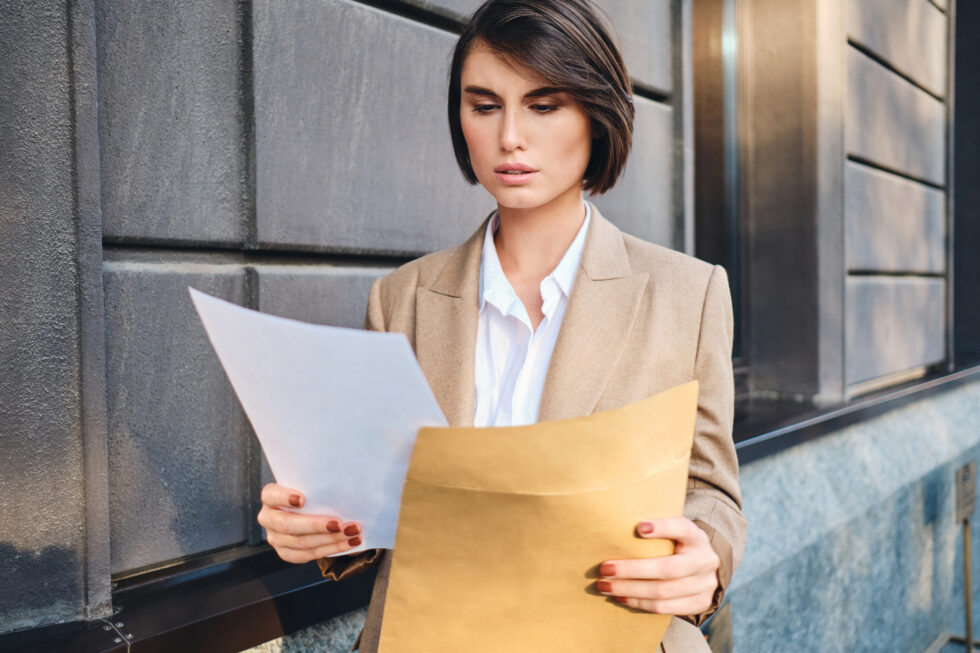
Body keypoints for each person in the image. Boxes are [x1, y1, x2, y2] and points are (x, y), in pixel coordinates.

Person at [256, 0, 746, 650]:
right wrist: (317, 525)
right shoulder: (401, 299)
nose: (510, 135)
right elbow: (374, 508)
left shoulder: (690, 293)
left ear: (596, 116)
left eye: (544, 105)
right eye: (484, 105)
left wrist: (703, 554)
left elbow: (710, 488)